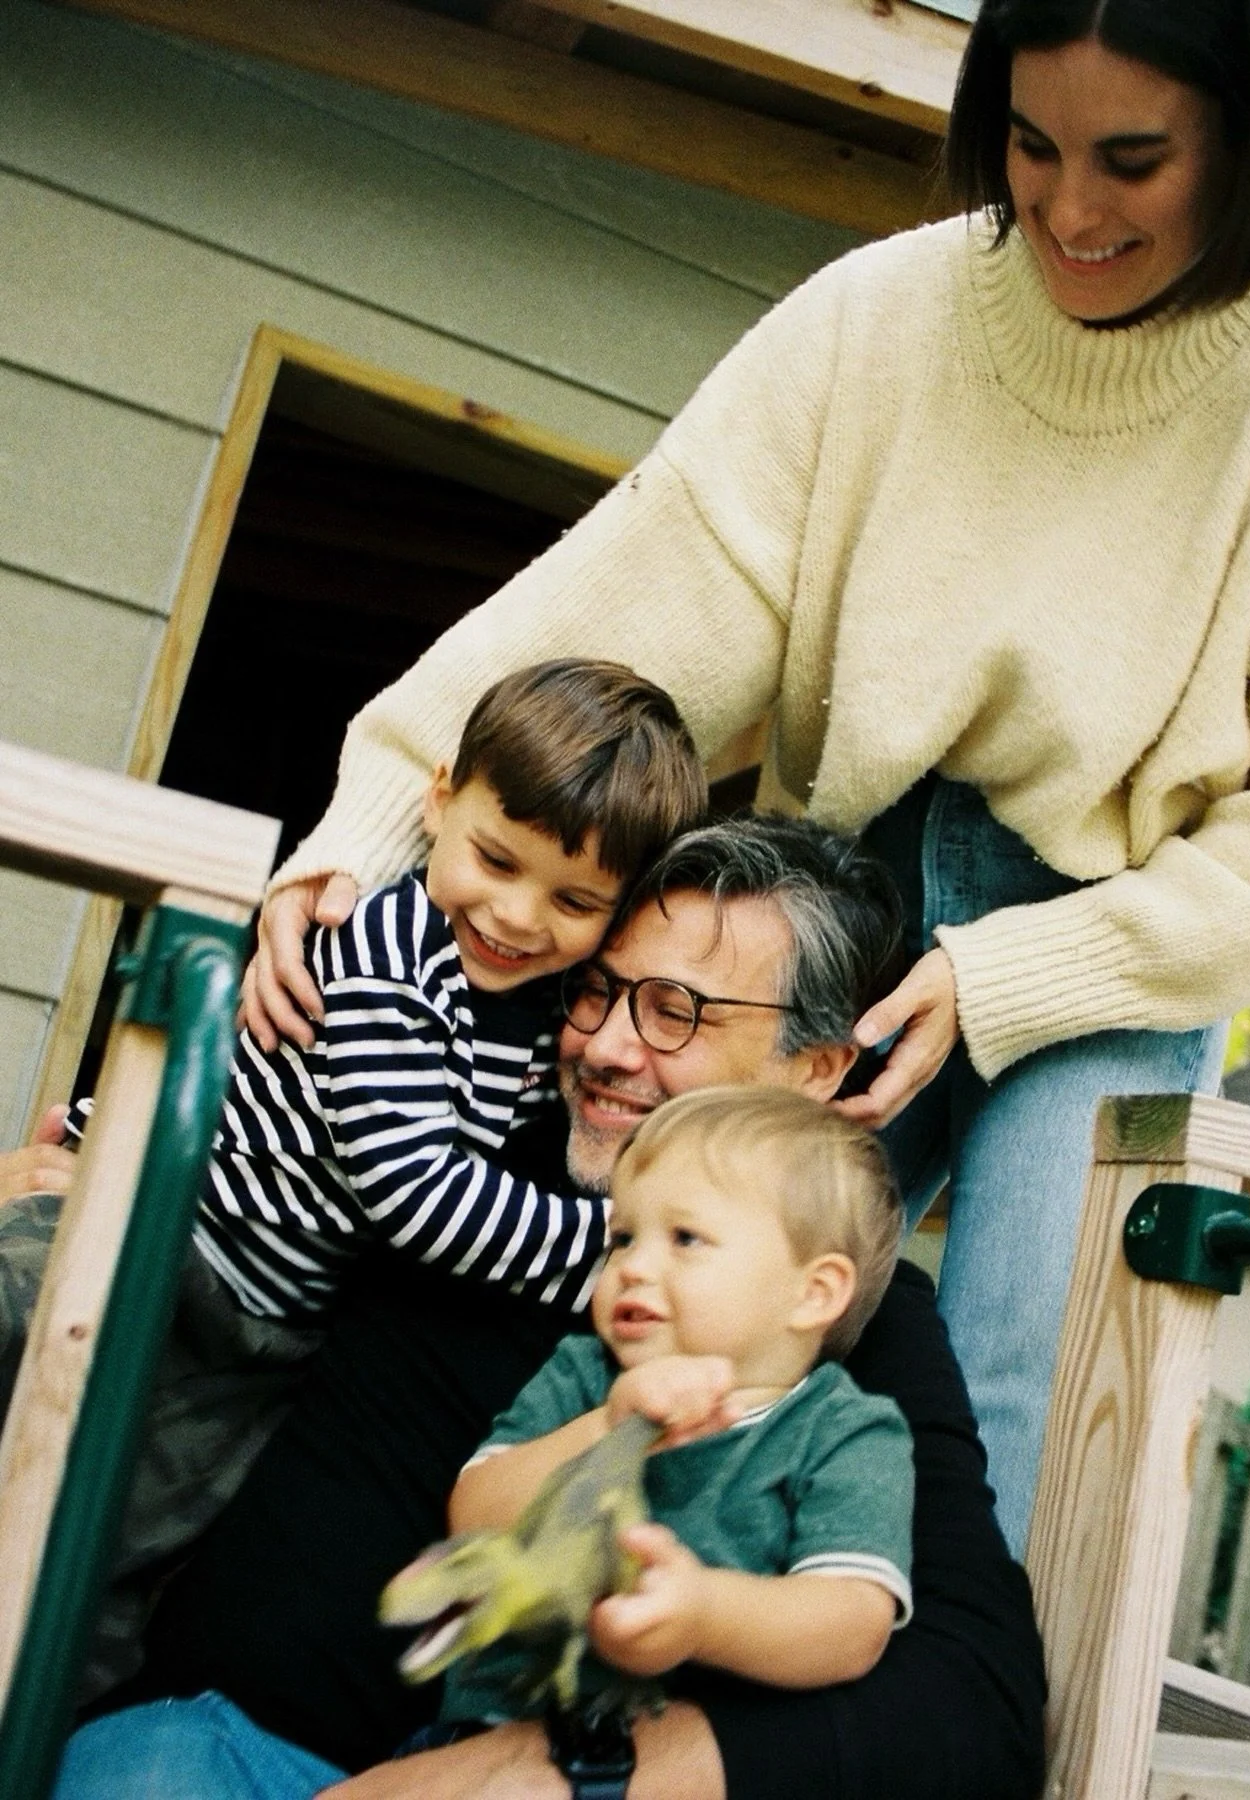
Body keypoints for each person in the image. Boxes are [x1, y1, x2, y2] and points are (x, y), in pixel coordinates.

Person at [242, 0, 1250, 1553]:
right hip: (846, 879)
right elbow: (625, 606)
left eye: (1132, 161)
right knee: (674, 1301)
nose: (1071, 211)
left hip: (1131, 934)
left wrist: (1009, 976)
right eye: (1030, 144)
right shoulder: (880, 319)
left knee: (1011, 1402)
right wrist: (371, 818)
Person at [51, 816, 1046, 1800]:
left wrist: (549, 1775)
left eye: (674, 1012)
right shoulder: (457, 1129)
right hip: (214, 1748)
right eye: (602, 992)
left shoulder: (835, 1301)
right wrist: (80, 1169)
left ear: (816, 1067)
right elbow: (253, 1166)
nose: (607, 1047)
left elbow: (977, 1701)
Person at [0, 658, 707, 1698]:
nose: (516, 916)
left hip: (252, 1332)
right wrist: (621, 1251)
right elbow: (410, 1190)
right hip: (155, 1223)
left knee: (114, 1556)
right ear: (436, 799)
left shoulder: (547, 1018)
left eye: (573, 900)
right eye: (494, 859)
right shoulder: (388, 948)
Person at [436, 1086, 913, 1731]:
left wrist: (703, 1615)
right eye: (623, 1238)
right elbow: (473, 1514)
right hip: (483, 1736)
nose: (633, 1267)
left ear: (812, 1293)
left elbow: (852, 1622)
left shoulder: (843, 1432)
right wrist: (610, 1427)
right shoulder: (585, 1378)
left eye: (685, 1238)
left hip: (677, 1764)